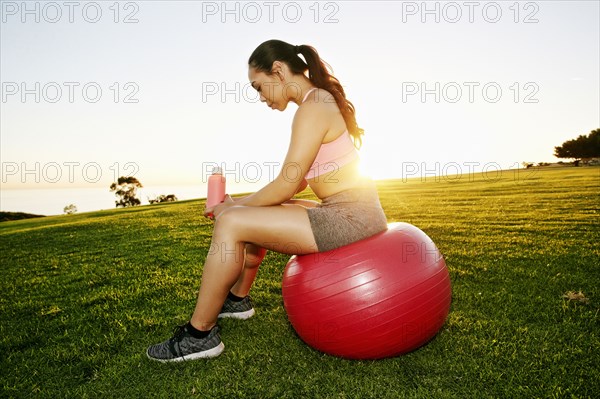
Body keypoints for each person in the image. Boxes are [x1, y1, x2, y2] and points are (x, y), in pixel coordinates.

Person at [146, 39, 388, 362]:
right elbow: (297, 182)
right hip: (348, 210)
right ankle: (237, 301)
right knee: (250, 213)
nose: (261, 98)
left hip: (351, 216)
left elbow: (286, 185)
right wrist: (240, 202)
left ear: (278, 70)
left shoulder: (314, 106)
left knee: (232, 223)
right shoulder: (316, 103)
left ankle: (199, 336)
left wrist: (232, 208)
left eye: (259, 87)